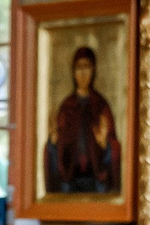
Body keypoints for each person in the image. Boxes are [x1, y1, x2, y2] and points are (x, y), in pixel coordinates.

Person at [43, 44, 118, 194]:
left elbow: (114, 148)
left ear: (93, 70)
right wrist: (53, 143)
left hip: (96, 180)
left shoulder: (101, 105)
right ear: (73, 71)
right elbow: (55, 147)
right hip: (70, 181)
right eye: (78, 68)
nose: (83, 73)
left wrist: (105, 145)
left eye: (87, 67)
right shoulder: (66, 107)